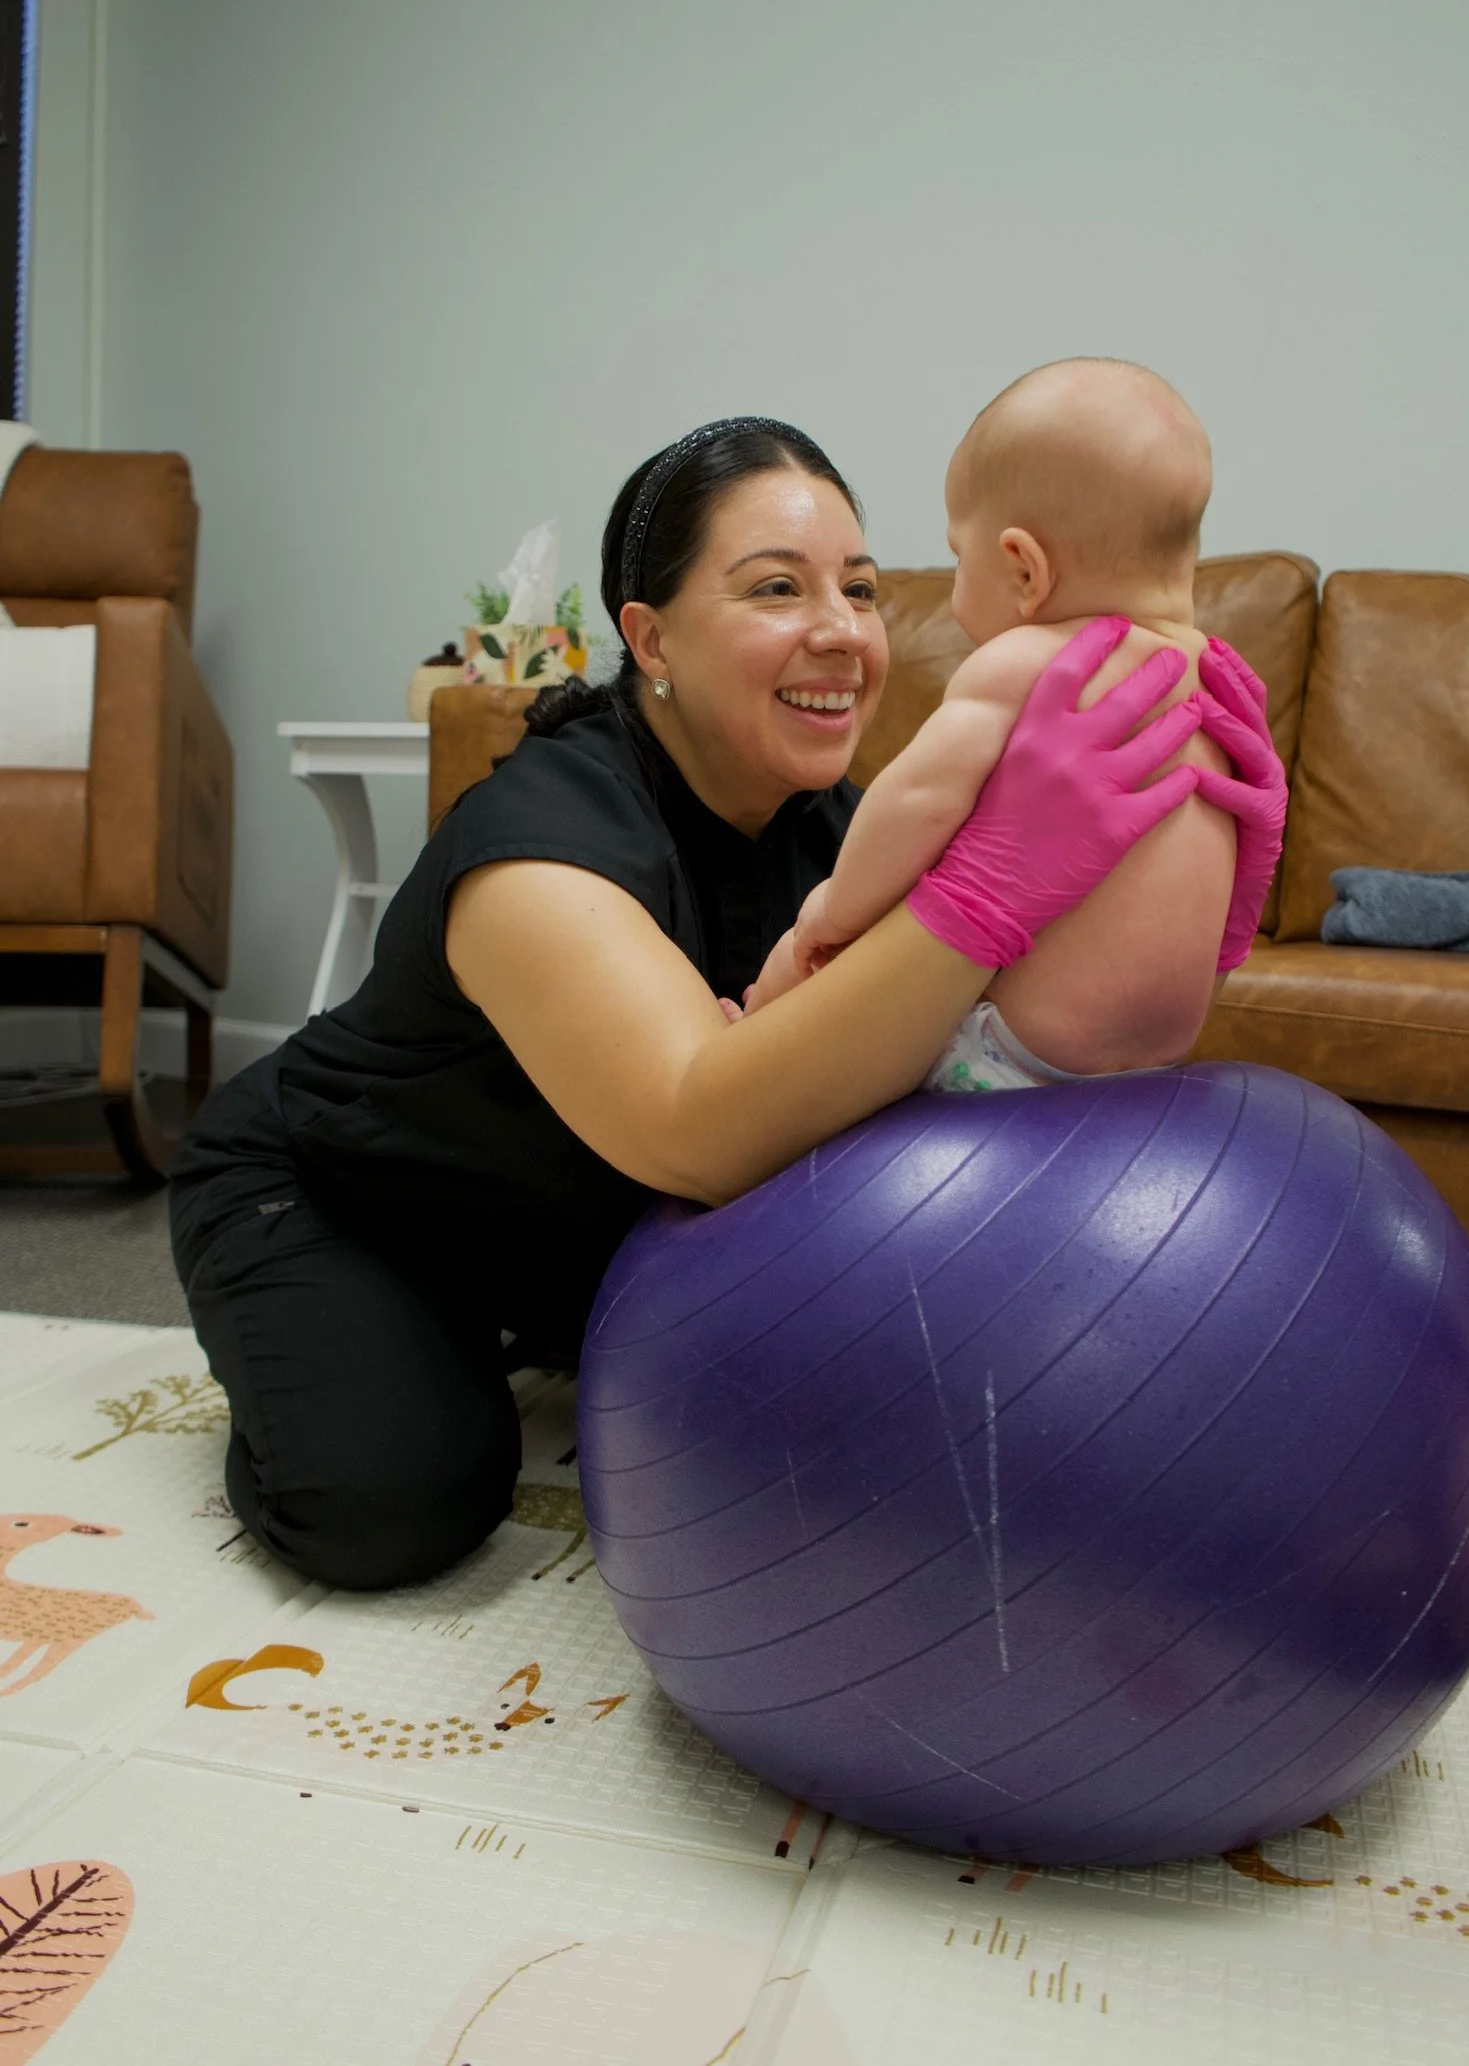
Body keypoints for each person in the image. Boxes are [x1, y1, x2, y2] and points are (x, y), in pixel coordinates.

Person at [169, 415, 1285, 1592]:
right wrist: (993, 886)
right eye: (775, 589)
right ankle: (346, 1334)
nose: (843, 631)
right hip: (349, 1196)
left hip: (580, 1228)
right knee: (395, 1503)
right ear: (649, 638)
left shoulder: (837, 834)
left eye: (859, 588)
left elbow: (935, 1086)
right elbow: (697, 1130)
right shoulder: (542, 840)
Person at [747, 359, 1256, 1094]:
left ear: (1024, 568)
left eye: (959, 555)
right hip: (1159, 1058)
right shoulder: (1216, 680)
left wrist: (834, 910)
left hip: (1003, 1051)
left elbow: (918, 802)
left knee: (813, 956)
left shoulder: (1026, 661)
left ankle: (752, 1037)